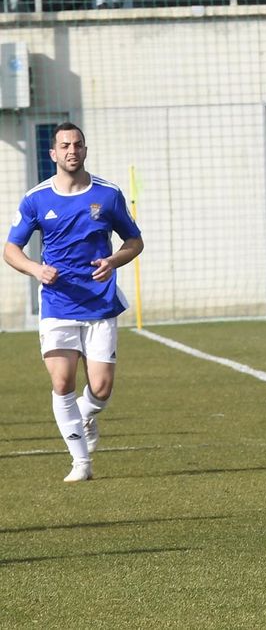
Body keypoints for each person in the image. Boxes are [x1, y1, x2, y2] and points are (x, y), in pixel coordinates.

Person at [5, 122, 144, 482]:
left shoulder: (108, 194)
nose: (72, 150)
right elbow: (10, 250)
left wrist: (114, 261)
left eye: (78, 144)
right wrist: (36, 270)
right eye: (64, 145)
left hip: (100, 304)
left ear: (85, 150)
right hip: (58, 304)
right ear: (53, 154)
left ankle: (84, 416)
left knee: (100, 388)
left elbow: (134, 241)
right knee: (62, 382)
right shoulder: (36, 198)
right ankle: (81, 462)